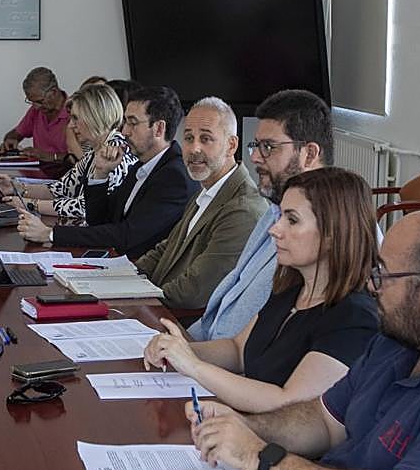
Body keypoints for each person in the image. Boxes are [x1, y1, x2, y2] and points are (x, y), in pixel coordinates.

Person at [187, 208, 420, 470]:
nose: (371, 285)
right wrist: (245, 426)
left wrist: (260, 456)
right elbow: (323, 421)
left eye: (382, 275)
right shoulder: (393, 344)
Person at [145, 167, 379, 411]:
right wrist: (176, 350)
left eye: (292, 220)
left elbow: (288, 402)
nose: (274, 229)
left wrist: (194, 366)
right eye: (280, 218)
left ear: (333, 233)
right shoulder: (291, 290)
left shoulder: (354, 319)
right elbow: (238, 350)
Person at [188, 89, 334, 341]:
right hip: (209, 353)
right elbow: (228, 307)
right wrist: (179, 345)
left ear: (309, 154)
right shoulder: (273, 210)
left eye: (269, 147)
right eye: (257, 145)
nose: (254, 157)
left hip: (238, 372)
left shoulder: (336, 228)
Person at [19, 85, 197, 259]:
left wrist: (51, 234)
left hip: (139, 272)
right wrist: (101, 174)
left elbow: (126, 235)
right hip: (115, 260)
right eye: (126, 122)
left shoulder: (174, 177)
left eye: (133, 123)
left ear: (158, 128)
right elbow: (99, 219)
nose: (125, 131)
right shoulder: (142, 165)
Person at [133, 97, 266, 309]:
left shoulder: (242, 210)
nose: (194, 148)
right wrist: (120, 278)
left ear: (231, 145)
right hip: (159, 308)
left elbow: (193, 291)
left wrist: (134, 298)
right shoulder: (205, 190)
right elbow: (164, 250)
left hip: (183, 325)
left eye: (205, 139)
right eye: (188, 138)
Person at [0, 83, 136, 219]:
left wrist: (29, 204)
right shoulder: (95, 152)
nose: (71, 126)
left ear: (93, 117)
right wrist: (16, 187)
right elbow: (60, 189)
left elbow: (84, 208)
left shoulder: (116, 151)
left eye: (75, 118)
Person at [0, 66, 80, 165]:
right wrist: (10, 140)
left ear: (53, 92)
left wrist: (49, 156)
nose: (35, 107)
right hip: (39, 174)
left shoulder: (75, 112)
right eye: (31, 102)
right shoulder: (36, 111)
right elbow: (16, 133)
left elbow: (82, 158)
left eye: (39, 101)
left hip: (68, 175)